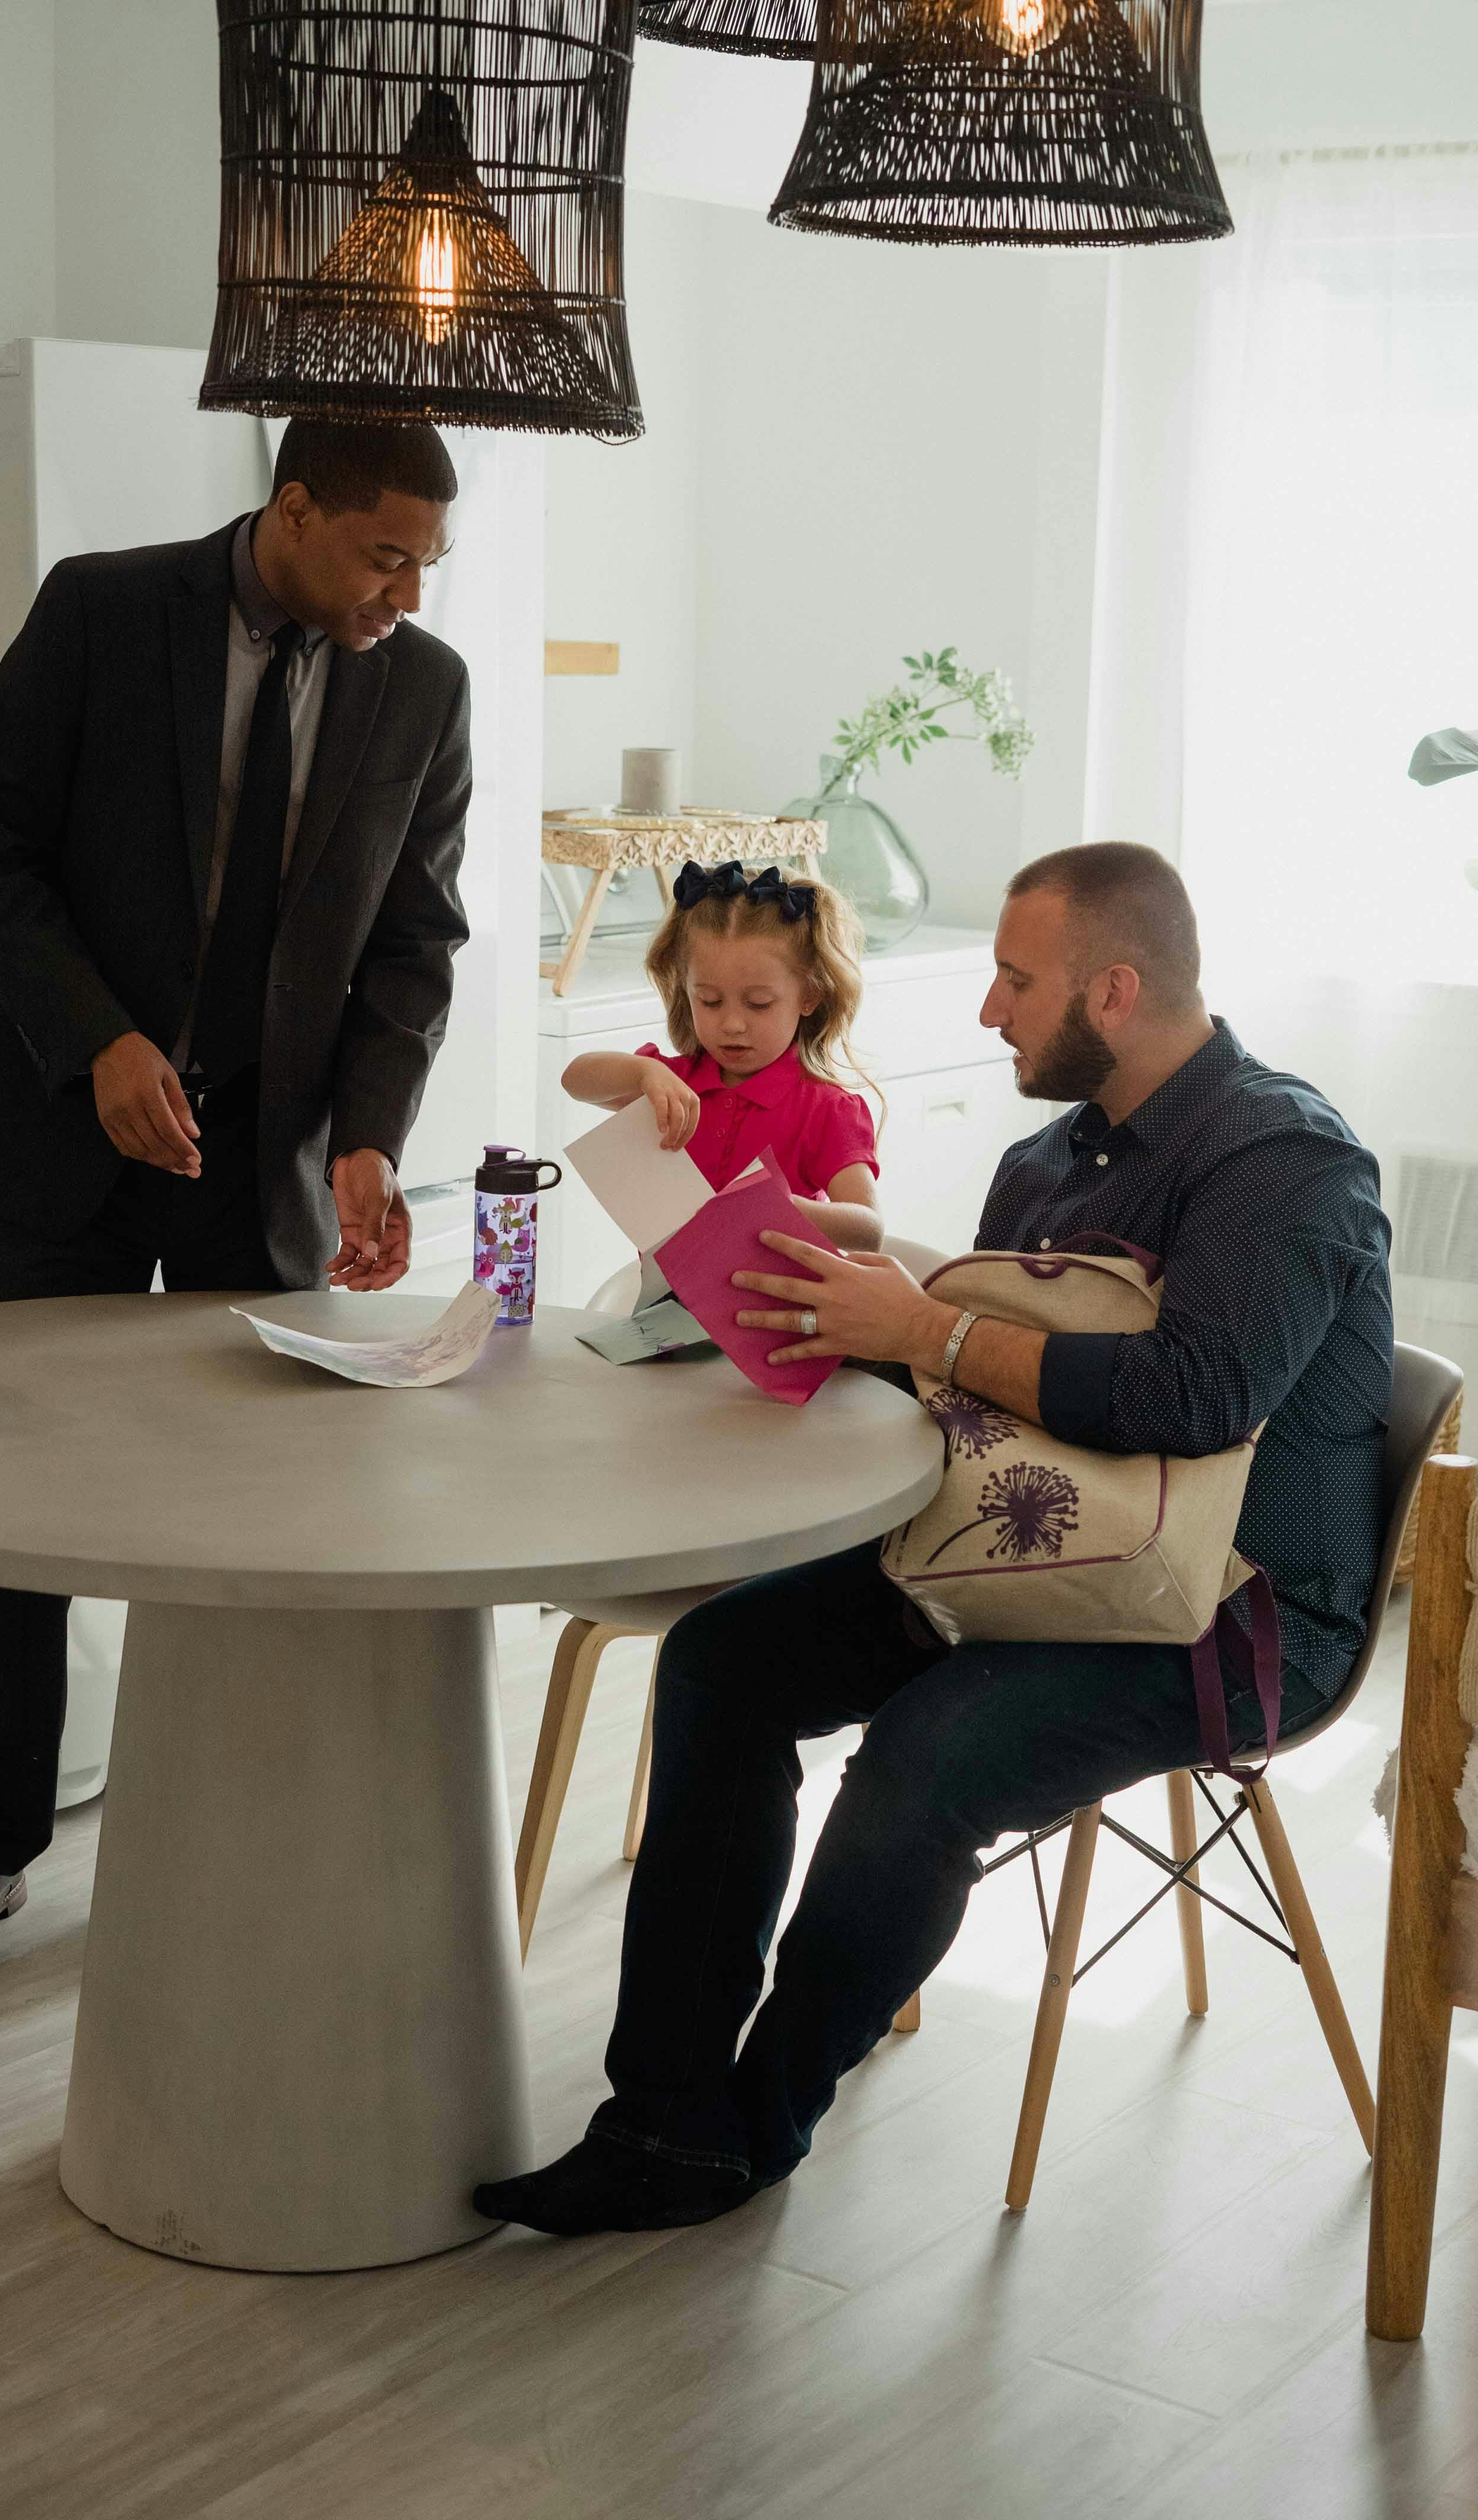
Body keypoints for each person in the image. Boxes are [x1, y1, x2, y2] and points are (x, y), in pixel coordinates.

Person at [476, 842, 1393, 2235]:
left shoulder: (1281, 1158)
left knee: (928, 1753)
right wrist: (837, 1316)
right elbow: (984, 1396)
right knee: (724, 1660)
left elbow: (1196, 1399)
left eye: (1014, 981)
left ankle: (754, 2121)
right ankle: (664, 2117)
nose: (987, 1011)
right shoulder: (1047, 1159)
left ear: (1117, 986)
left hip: (1224, 1614)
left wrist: (925, 1326)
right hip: (1027, 1551)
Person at [0, 419, 471, 1977]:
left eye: (428, 561)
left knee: (263, 1510)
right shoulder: (102, 608)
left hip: (262, 1168)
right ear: (293, 509)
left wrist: (368, 1139)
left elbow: (412, 943)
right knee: (26, 1503)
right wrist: (98, 1042)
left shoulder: (424, 686)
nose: (406, 591)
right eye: (383, 553)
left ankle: (251, 1830)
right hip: (71, 1142)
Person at [562, 859, 883, 1250]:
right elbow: (575, 1081)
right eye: (710, 1001)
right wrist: (643, 1072)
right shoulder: (674, 1084)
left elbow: (868, 1230)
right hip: (671, 1305)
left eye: (759, 1003)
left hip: (784, 1309)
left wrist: (770, 1207)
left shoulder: (825, 1109)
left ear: (810, 996)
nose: (732, 1024)